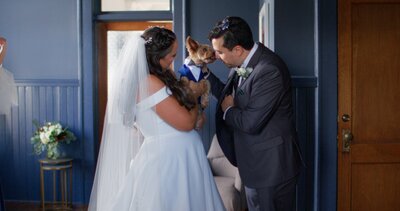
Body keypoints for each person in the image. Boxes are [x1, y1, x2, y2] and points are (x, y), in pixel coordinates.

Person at [88, 27, 225, 211]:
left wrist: (196, 110)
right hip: (169, 160)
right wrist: (194, 95)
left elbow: (192, 119)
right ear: (156, 56)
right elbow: (186, 123)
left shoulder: (163, 77)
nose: (173, 60)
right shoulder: (149, 82)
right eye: (171, 55)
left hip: (183, 157)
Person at [206, 16, 303, 211]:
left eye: (219, 52)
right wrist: (204, 73)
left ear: (238, 50)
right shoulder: (245, 61)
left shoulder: (269, 70)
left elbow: (250, 122)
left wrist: (229, 110)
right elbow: (227, 94)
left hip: (272, 167)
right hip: (254, 164)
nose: (216, 56)